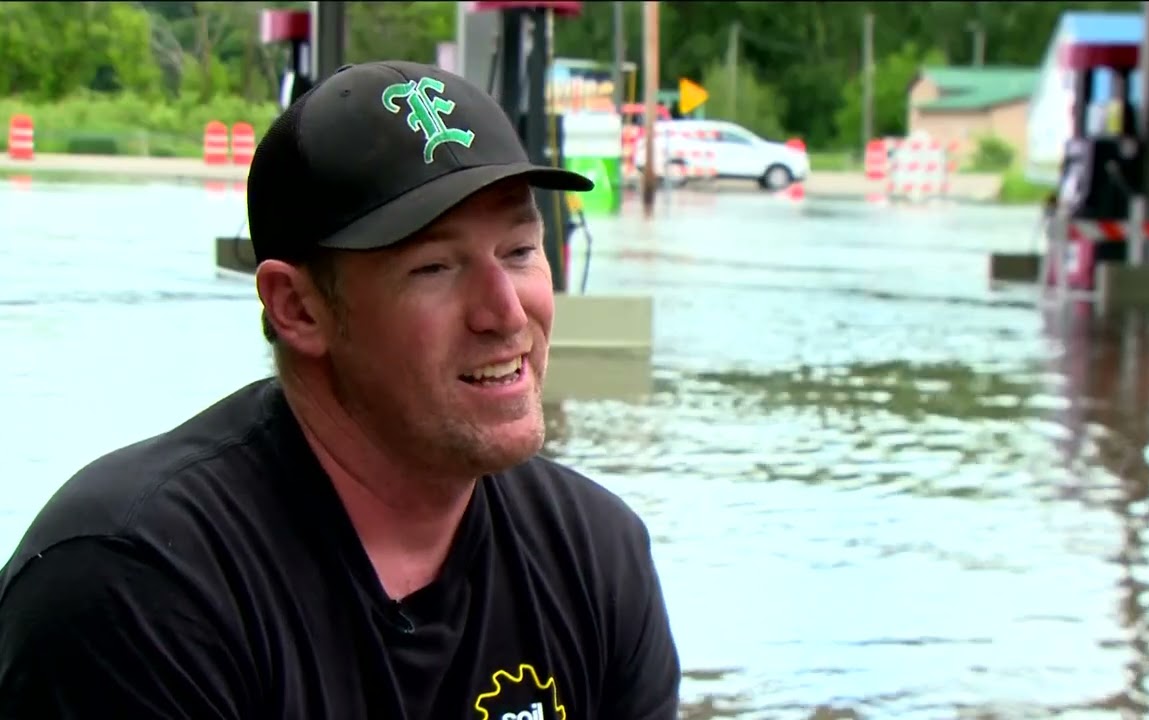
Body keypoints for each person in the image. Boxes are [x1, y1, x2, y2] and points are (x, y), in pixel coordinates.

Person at [0, 60, 681, 719]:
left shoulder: (595, 556)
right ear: (297, 307)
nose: (505, 312)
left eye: (519, 251)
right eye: (435, 267)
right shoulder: (135, 585)